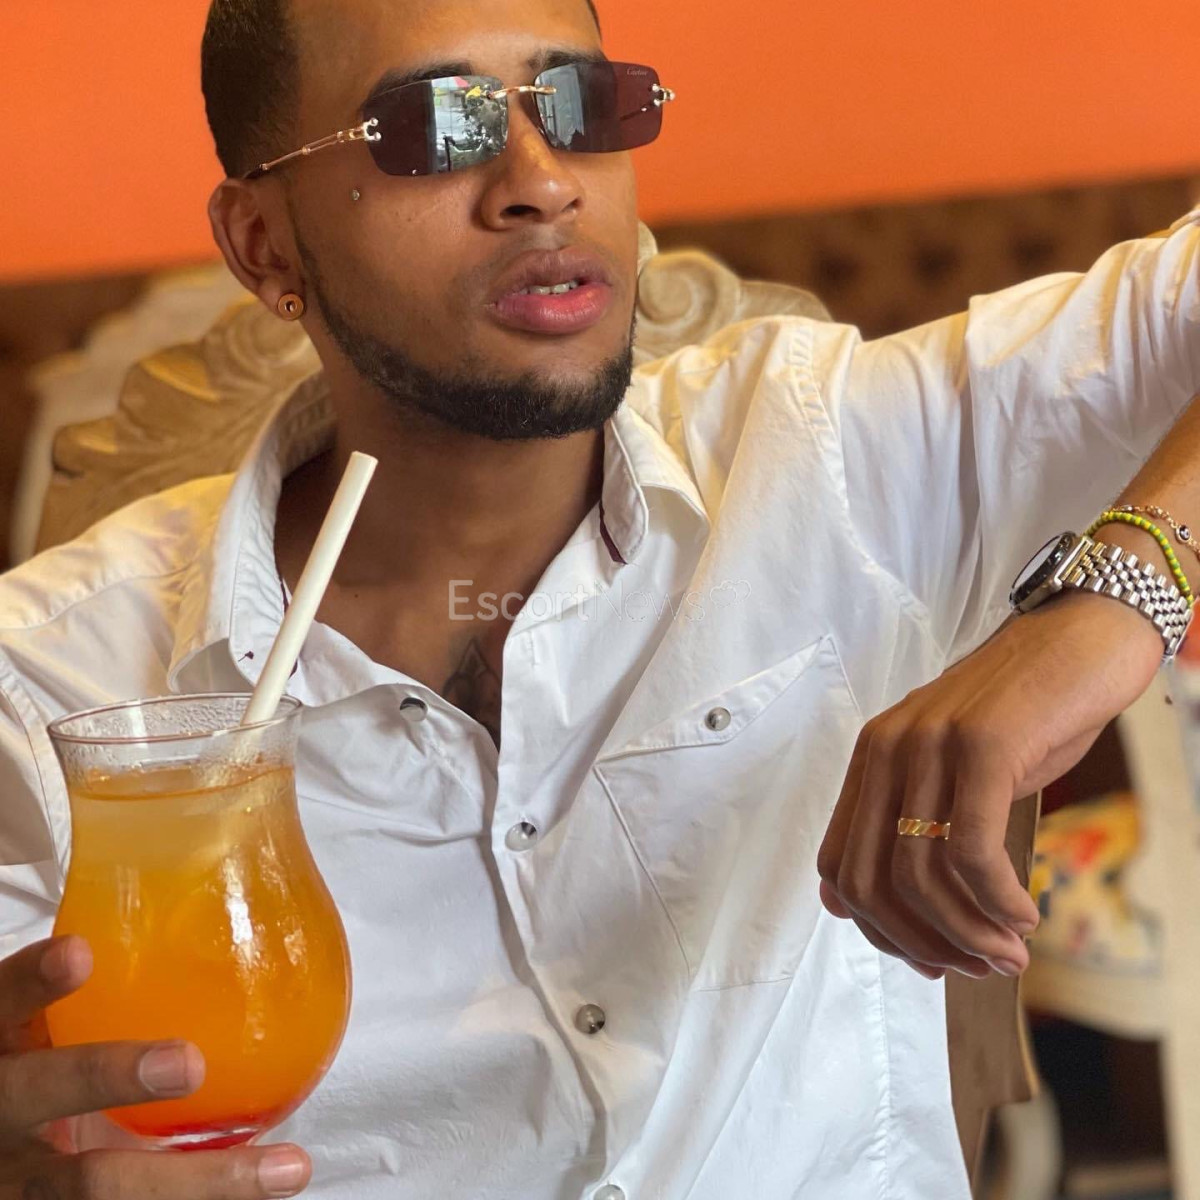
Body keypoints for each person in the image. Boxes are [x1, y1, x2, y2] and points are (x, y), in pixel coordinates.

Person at [0, 0, 1197, 1196]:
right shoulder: (49, 694)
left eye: (579, 107)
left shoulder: (829, 456)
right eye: (438, 126)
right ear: (265, 245)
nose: (541, 183)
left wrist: (1119, 595)